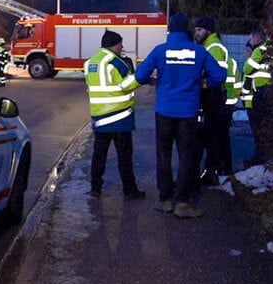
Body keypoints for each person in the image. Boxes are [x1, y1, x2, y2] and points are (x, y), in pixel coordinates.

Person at [131, 13, 225, 218]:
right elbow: (219, 75)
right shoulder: (199, 51)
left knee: (163, 156)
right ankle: (182, 202)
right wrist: (203, 84)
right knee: (186, 157)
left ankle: (164, 200)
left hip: (164, 111)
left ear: (171, 30)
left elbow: (139, 76)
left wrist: (154, 81)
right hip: (188, 113)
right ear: (187, 30)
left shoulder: (160, 50)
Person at [83, 30, 145, 200]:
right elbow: (127, 85)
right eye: (120, 44)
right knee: (124, 156)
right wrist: (141, 77)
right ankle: (130, 190)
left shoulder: (89, 63)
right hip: (120, 117)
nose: (122, 47)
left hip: (99, 118)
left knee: (99, 155)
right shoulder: (116, 62)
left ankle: (95, 188)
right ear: (114, 45)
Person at [192, 17, 239, 185]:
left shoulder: (214, 47)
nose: (196, 33)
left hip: (216, 97)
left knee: (213, 136)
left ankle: (215, 171)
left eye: (200, 30)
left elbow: (215, 75)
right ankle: (218, 169)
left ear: (208, 31)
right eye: (196, 30)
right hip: (217, 97)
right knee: (215, 136)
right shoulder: (209, 46)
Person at [242, 30, 272, 166]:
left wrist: (249, 57)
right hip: (265, 92)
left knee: (258, 127)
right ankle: (264, 155)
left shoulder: (259, 51)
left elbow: (247, 69)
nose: (249, 42)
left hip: (259, 93)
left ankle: (260, 157)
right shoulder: (272, 50)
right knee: (266, 125)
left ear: (257, 40)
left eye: (251, 39)